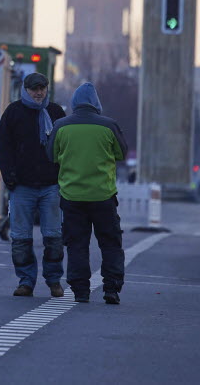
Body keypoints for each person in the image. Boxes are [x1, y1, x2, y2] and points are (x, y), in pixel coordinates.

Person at [49, 82, 128, 305]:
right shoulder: (109, 125)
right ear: (96, 103)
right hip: (103, 196)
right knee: (110, 243)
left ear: (74, 103)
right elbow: (121, 153)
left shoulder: (61, 126)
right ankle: (111, 288)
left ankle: (80, 290)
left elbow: (51, 155)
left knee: (77, 245)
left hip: (72, 196)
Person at [0, 72, 67, 297]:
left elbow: (65, 147)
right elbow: (3, 146)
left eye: (42, 88)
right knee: (21, 238)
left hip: (50, 185)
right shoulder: (13, 112)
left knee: (53, 237)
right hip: (22, 186)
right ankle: (25, 281)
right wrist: (10, 177)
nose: (39, 92)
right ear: (25, 90)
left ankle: (54, 280)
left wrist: (61, 177)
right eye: (34, 88)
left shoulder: (56, 112)